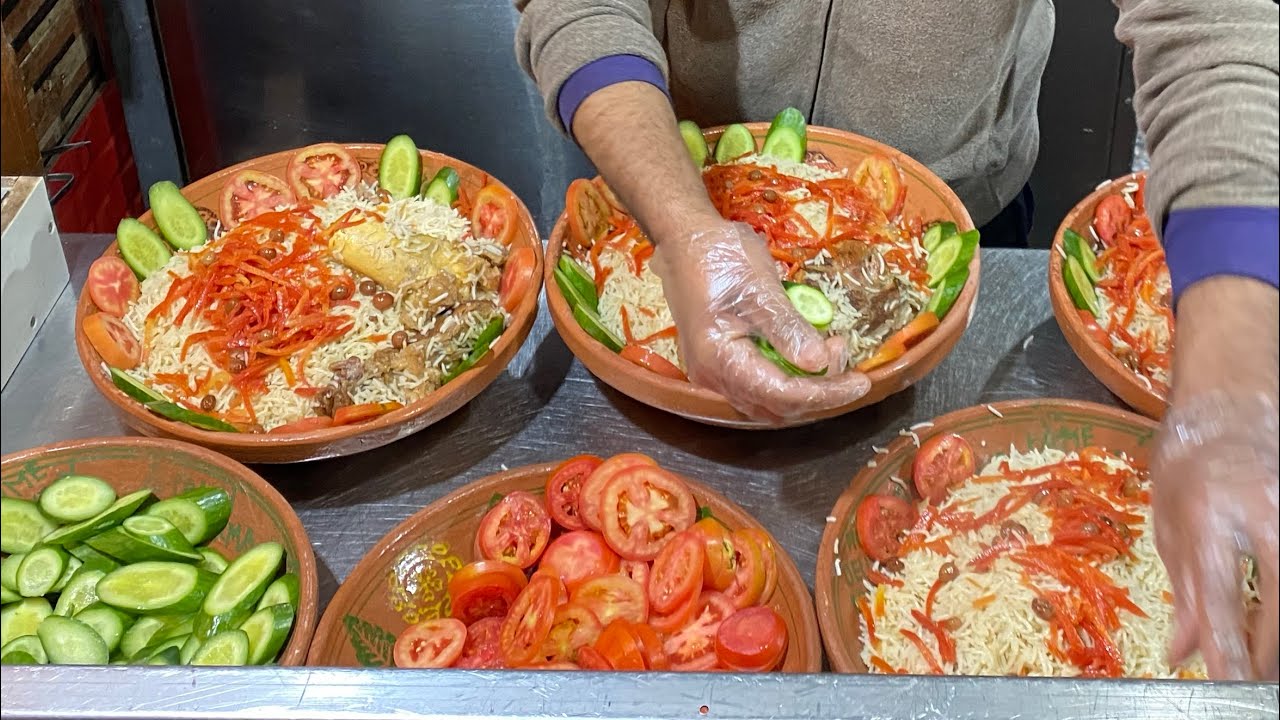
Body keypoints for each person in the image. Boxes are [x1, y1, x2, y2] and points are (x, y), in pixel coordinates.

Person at [514, 0, 1278, 681]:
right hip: (671, 189)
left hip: (949, 216)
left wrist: (1231, 358)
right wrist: (680, 222)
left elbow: (1217, 20)